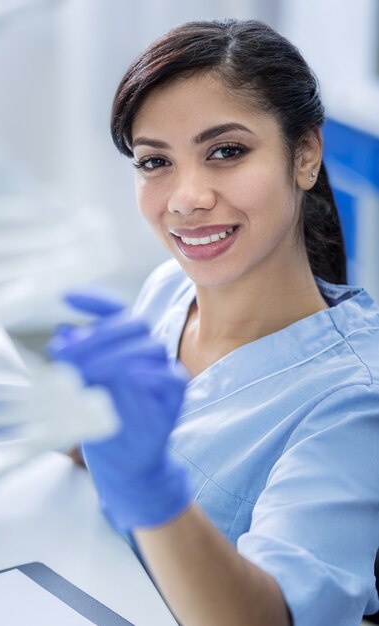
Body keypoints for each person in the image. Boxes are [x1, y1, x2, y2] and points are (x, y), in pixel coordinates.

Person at [49, 19, 379, 626]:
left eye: (226, 152)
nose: (186, 196)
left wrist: (154, 489)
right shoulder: (166, 291)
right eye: (155, 161)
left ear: (305, 154)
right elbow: (93, 453)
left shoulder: (356, 400)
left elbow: (276, 617)